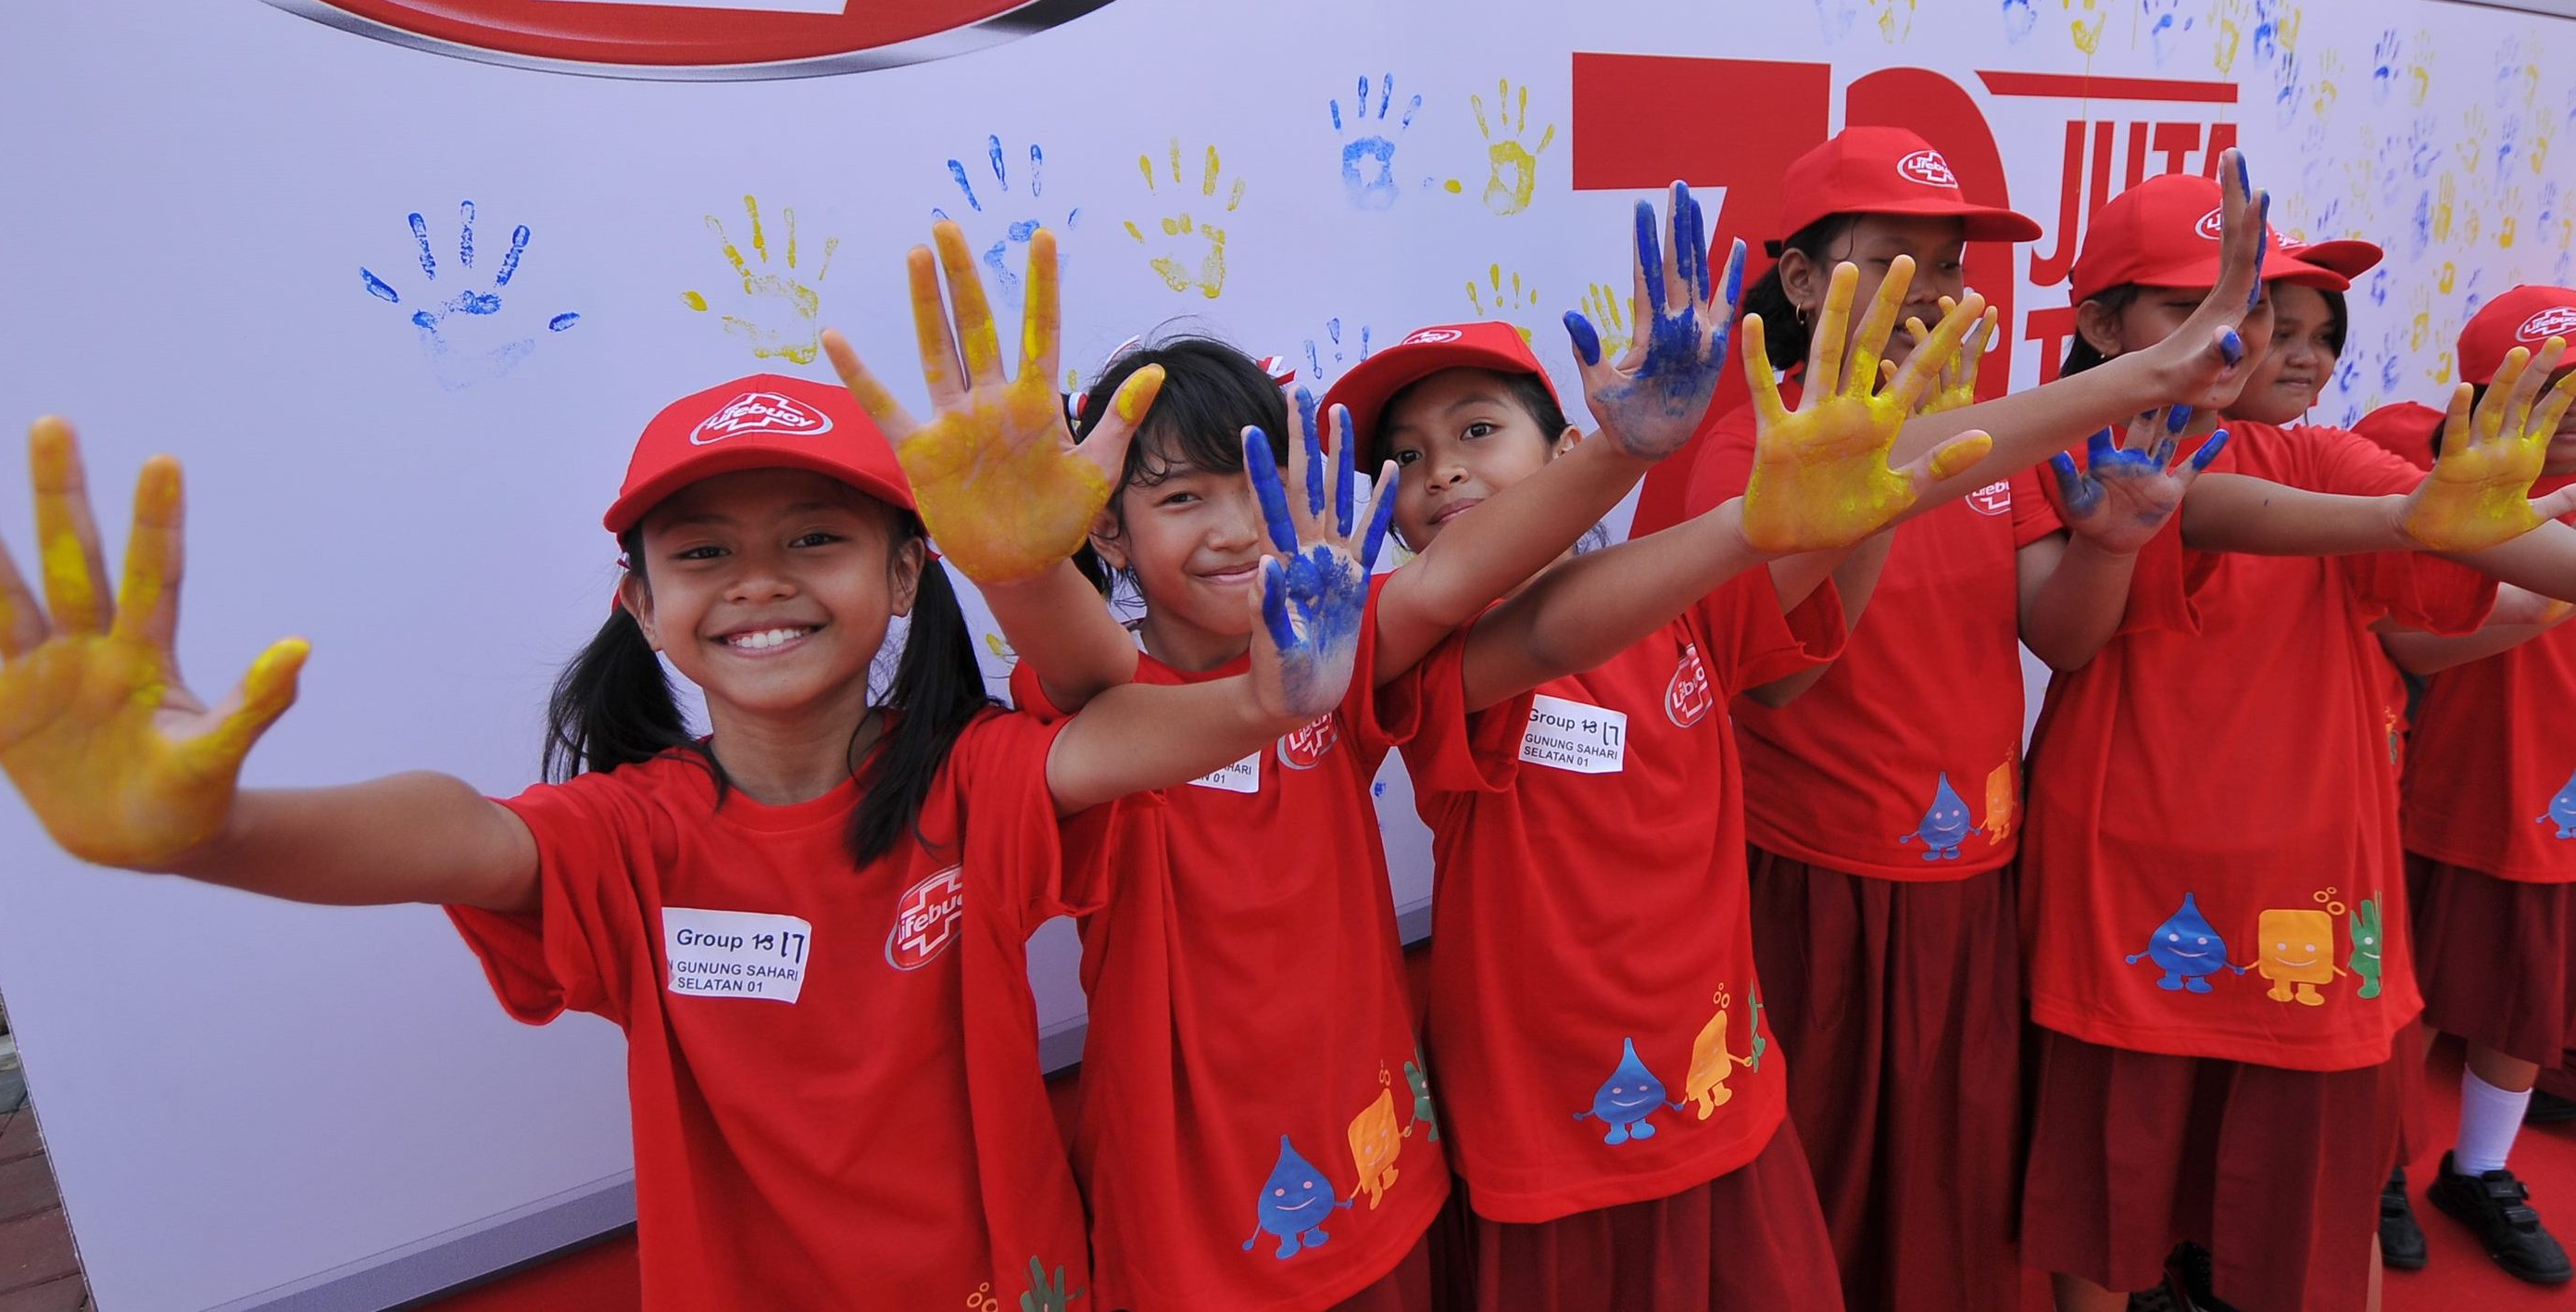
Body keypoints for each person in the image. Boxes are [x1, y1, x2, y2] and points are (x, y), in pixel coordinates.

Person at [0, 345, 1380, 1309]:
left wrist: (1277, 691)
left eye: (818, 540)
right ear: (636, 605)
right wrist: (211, 827)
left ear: (903, 581)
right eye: (703, 549)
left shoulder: (974, 781)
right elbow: (446, 833)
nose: (761, 579)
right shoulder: (628, 837)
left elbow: (1123, 732)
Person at [1320, 147, 2277, 1312]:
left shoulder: (1680, 613)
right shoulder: (1426, 663)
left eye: (1478, 430)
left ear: (1558, 449)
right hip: (1557, 1124)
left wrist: (2138, 391)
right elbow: (1558, 621)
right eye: (1407, 458)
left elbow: (1893, 486)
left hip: (1731, 1086)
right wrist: (1652, 461)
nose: (1443, 472)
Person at [823, 194, 1754, 1312]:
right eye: (1179, 500)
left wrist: (1620, 451)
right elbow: (1080, 665)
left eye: (1255, 491)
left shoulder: (1332, 652)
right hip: (1192, 1203)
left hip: (1378, 1166)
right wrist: (1017, 563)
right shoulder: (1107, 698)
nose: (1230, 530)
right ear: (1107, 530)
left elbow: (1457, 583)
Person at [1689, 127, 2235, 1312]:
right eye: (1894, 261)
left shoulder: (1993, 437)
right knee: (1818, 1196)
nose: (1930, 295)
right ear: (1798, 283)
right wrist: (1876, 488)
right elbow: (1770, 678)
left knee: (1954, 1191)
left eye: (1947, 269)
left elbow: (2063, 636)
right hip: (1811, 885)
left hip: (1979, 885)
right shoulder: (1753, 444)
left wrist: (2110, 543)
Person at [2015, 172, 2576, 1312]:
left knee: (2309, 1203)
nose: (2252, 335)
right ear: (2098, 324)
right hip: (2128, 873)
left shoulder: (2318, 458)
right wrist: (2407, 521)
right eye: (2205, 306)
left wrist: (2478, 525)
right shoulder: (2055, 446)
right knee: (2110, 1184)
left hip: (2313, 888)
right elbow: (2087, 614)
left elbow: (2497, 562)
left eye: (2273, 314)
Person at [2360, 284, 2576, 1285]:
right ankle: (2380, 1171)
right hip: (2428, 800)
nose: (2566, 414)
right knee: (2407, 1007)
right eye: (2543, 390)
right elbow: (2412, 635)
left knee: (2521, 1005)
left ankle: (2479, 1168)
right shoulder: (2422, 473)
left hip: (2555, 809)